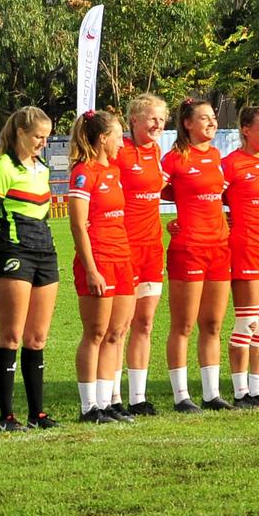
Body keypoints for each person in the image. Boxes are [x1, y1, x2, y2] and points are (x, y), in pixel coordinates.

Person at [0, 106, 58, 430]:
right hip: (13, 253)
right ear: (21, 134)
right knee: (11, 336)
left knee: (37, 338)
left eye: (47, 137)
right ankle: (6, 416)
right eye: (38, 136)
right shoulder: (2, 168)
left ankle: (37, 414)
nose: (43, 142)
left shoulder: (42, 168)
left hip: (45, 253)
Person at [163, 98, 232, 411]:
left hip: (219, 248)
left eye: (213, 118)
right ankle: (181, 397)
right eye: (204, 118)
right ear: (187, 123)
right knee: (183, 325)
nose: (211, 123)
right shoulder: (174, 159)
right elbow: (152, 193)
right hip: (189, 249)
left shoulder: (217, 155)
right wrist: (170, 222)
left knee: (213, 324)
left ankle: (212, 394)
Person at [69, 110, 136, 423]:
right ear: (103, 138)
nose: (122, 142)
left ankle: (107, 403)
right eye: (118, 136)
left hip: (122, 259)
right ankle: (89, 407)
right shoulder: (84, 172)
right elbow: (78, 226)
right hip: (99, 260)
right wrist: (91, 269)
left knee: (116, 332)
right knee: (95, 333)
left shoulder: (114, 171)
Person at [113, 94, 169, 415]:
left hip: (152, 248)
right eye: (151, 119)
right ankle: (113, 397)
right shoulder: (119, 151)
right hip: (125, 248)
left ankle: (138, 397)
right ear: (134, 119)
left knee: (145, 323)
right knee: (120, 325)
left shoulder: (156, 151)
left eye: (161, 120)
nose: (157, 125)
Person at [223, 106, 259, 407]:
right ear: (245, 130)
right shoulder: (231, 164)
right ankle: (240, 391)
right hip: (246, 246)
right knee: (247, 321)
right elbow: (206, 196)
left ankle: (258, 389)